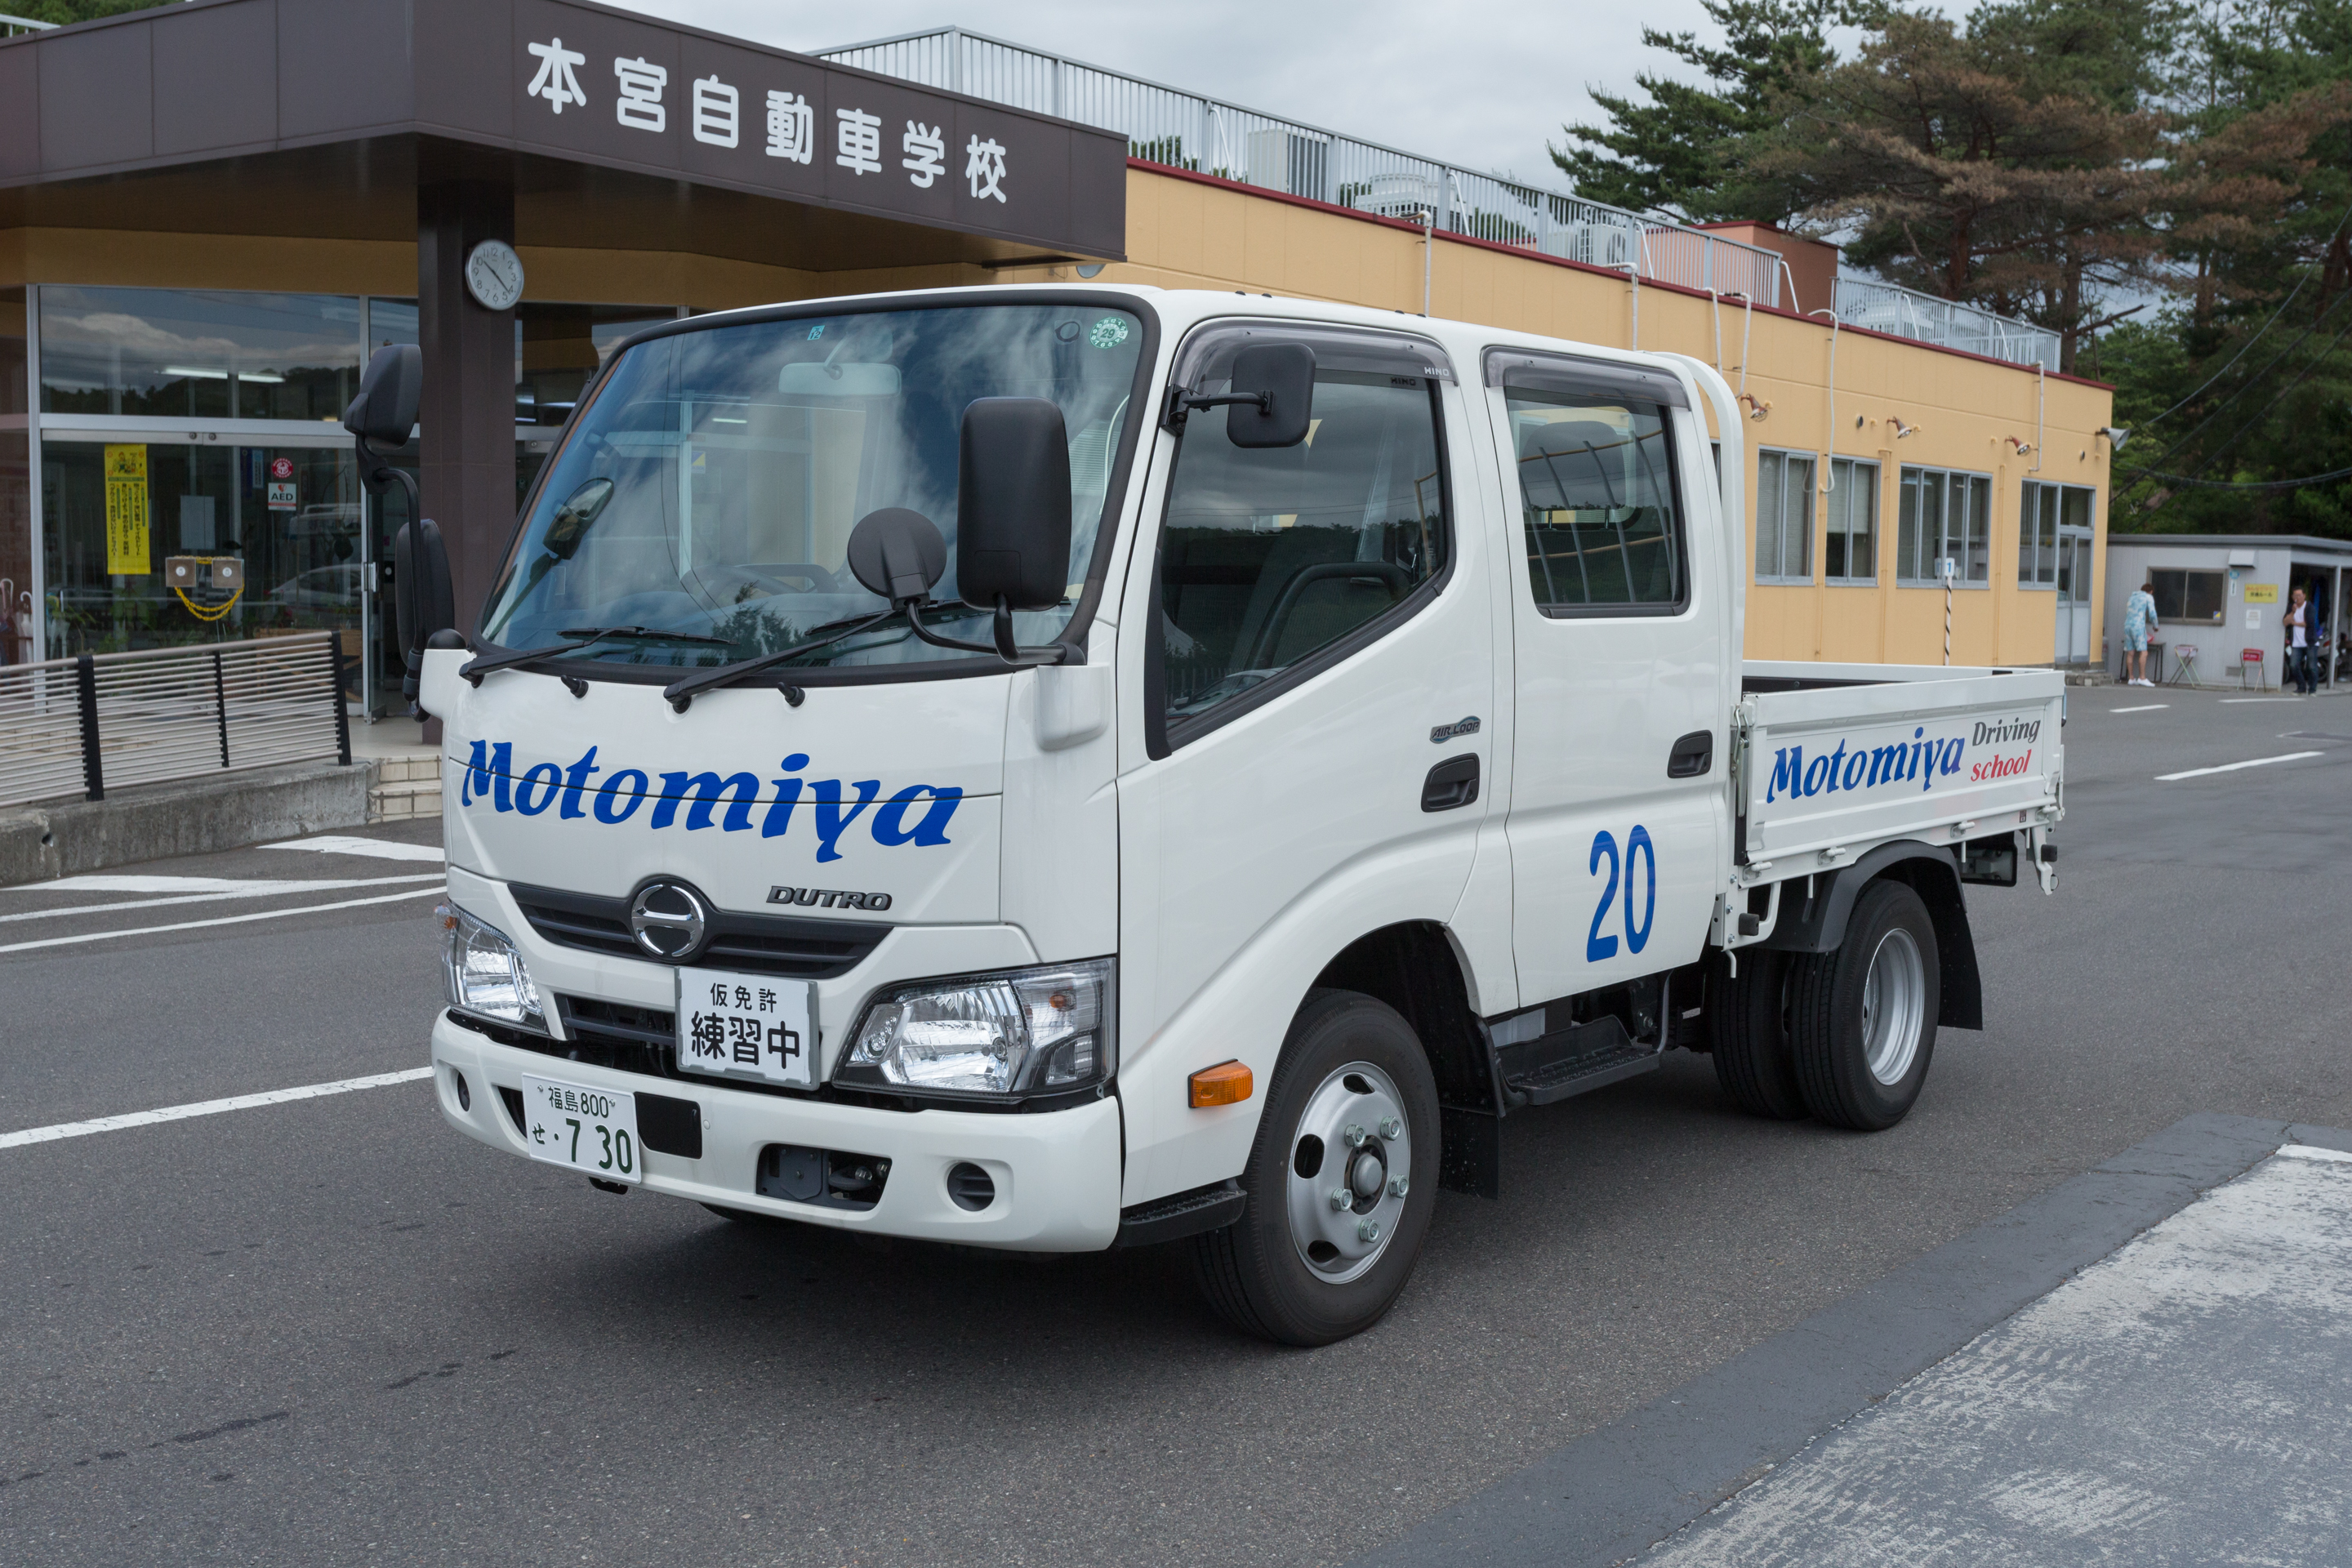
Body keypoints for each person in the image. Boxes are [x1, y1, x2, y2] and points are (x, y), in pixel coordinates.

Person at [2123, 580, 2158, 686]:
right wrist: (2155, 626)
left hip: (2127, 626)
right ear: (2151, 591)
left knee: (2130, 652)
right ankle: (2142, 678)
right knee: (2144, 652)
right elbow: (2152, 613)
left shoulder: (2131, 597)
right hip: (2138, 627)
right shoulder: (2148, 597)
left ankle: (2131, 678)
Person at [2285, 586, 2316, 694]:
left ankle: (2312, 690)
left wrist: (2294, 623)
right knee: (2293, 665)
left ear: (2304, 596)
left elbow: (2309, 623)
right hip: (2296, 643)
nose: (2297, 597)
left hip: (2309, 642)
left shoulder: (2310, 607)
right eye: (2295, 595)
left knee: (2311, 667)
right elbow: (2285, 622)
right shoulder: (2291, 607)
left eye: (2299, 595)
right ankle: (2301, 687)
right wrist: (2292, 612)